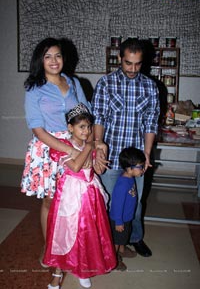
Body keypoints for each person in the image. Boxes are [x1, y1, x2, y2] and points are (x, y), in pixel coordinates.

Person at [20, 37, 93, 266]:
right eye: (48, 56)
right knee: (51, 201)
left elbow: (86, 117)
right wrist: (70, 151)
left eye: (58, 55)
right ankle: (49, 247)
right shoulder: (34, 89)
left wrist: (89, 147)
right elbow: (38, 129)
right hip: (49, 149)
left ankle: (73, 244)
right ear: (40, 60)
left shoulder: (73, 82)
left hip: (75, 144)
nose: (54, 60)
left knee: (75, 200)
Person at [91, 38, 160, 258]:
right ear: (120, 58)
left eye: (138, 64)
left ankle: (135, 238)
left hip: (136, 158)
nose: (132, 69)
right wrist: (99, 146)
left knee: (135, 202)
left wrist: (148, 154)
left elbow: (150, 123)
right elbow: (99, 117)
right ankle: (109, 243)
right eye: (128, 63)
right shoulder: (106, 83)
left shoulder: (150, 86)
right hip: (111, 155)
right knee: (110, 202)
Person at [43, 103, 117, 289]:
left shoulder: (92, 145)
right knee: (64, 234)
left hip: (90, 194)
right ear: (70, 127)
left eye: (89, 127)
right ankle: (57, 273)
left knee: (88, 232)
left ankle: (83, 269)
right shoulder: (62, 146)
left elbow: (98, 169)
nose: (87, 131)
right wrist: (90, 146)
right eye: (81, 127)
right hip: (70, 195)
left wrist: (100, 152)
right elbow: (75, 167)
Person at [110, 147, 146, 271]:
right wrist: (119, 222)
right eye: (140, 167)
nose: (142, 170)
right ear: (130, 168)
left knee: (123, 238)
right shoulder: (122, 184)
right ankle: (113, 260)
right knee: (116, 240)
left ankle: (122, 249)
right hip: (119, 219)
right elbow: (117, 205)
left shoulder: (130, 178)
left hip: (127, 217)